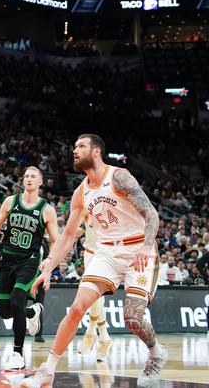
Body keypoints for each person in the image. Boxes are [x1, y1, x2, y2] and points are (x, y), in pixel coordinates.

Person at [21, 135, 165, 387]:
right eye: (74, 147)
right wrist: (48, 269)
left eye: (80, 146)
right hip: (106, 252)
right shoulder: (81, 192)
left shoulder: (119, 176)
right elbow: (67, 236)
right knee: (77, 308)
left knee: (132, 318)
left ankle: (155, 353)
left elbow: (151, 214)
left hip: (138, 250)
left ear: (96, 151)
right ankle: (48, 370)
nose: (74, 151)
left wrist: (145, 246)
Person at [0, 166, 59, 370]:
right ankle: (31, 313)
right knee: (5, 311)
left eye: (33, 176)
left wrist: (49, 260)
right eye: (26, 176)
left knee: (16, 301)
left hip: (29, 260)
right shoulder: (11, 201)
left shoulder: (46, 209)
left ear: (40, 182)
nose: (29, 179)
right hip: (7, 259)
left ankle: (17, 353)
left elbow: (56, 241)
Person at [76, 216, 112, 360]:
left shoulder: (112, 201)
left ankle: (91, 332)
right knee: (97, 297)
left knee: (94, 293)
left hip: (106, 255)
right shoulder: (86, 198)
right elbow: (76, 216)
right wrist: (77, 227)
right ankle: (104, 337)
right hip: (89, 253)